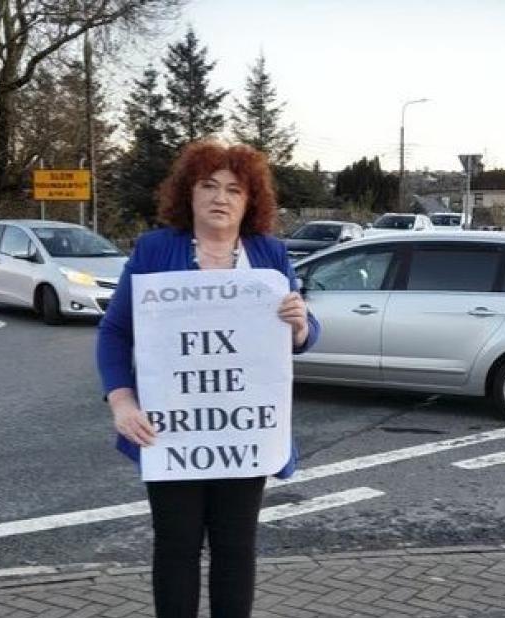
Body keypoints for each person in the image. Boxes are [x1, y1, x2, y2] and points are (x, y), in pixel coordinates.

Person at [96, 140, 320, 618]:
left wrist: (300, 323)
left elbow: (303, 333)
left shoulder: (270, 254)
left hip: (245, 430)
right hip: (170, 429)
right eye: (208, 186)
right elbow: (114, 331)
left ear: (249, 200)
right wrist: (122, 402)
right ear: (188, 194)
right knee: (175, 547)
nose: (221, 197)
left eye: (234, 189)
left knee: (236, 549)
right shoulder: (156, 251)